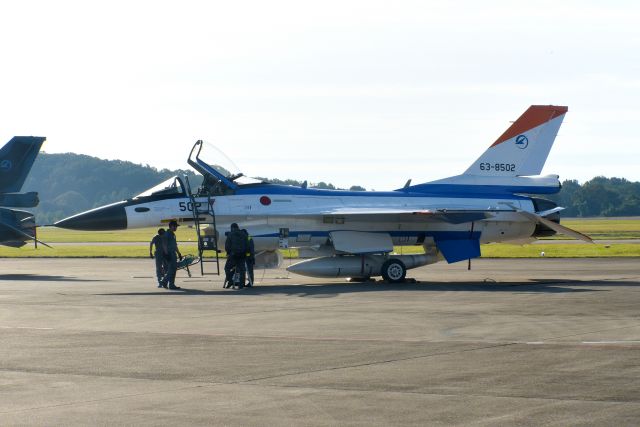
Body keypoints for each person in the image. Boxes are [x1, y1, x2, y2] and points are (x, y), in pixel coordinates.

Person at [160, 220, 183, 290]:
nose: (176, 228)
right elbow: (164, 245)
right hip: (170, 253)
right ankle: (164, 281)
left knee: (173, 269)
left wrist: (179, 253)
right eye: (175, 226)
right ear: (171, 226)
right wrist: (167, 254)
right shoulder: (167, 234)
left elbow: (175, 245)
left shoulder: (172, 234)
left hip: (173, 253)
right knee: (172, 269)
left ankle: (171, 285)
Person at [224, 223, 247, 288]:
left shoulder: (230, 234)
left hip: (233, 255)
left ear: (232, 228)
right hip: (242, 255)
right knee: (242, 270)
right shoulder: (244, 234)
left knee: (227, 268)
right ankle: (241, 285)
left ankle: (230, 280)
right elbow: (247, 245)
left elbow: (227, 246)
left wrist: (228, 253)